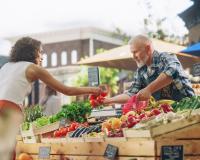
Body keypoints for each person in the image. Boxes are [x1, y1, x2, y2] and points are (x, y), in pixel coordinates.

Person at [0, 37, 101, 160]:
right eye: (40, 52)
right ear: (32, 52)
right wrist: (93, 89)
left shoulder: (6, 66)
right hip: (9, 110)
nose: (42, 56)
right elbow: (67, 90)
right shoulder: (33, 68)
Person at [104, 34, 194, 106]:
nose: (133, 57)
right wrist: (108, 100)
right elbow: (131, 94)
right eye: (132, 53)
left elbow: (173, 71)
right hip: (168, 114)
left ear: (148, 48)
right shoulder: (141, 71)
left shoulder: (165, 57)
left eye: (135, 52)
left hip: (190, 107)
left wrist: (148, 89)